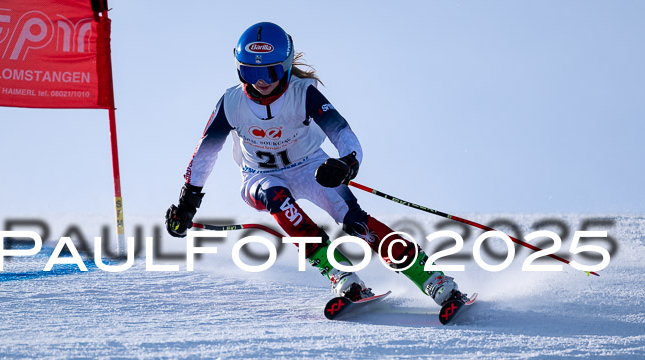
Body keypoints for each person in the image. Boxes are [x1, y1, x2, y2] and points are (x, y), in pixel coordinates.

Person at [166, 21, 464, 307]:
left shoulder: (302, 92)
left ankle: (432, 280)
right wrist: (188, 201)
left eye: (270, 72)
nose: (260, 82)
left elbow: (341, 131)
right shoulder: (231, 103)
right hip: (259, 175)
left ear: (283, 67)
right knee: (277, 198)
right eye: (249, 72)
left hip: (311, 167)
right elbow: (205, 152)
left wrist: (347, 162)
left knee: (356, 222)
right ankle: (341, 274)